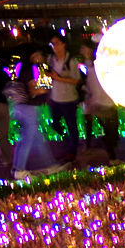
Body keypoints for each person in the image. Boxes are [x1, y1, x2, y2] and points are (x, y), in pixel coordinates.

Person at [6, 47, 63, 178]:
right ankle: (19, 170)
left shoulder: (24, 69)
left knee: (37, 139)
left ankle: (49, 165)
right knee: (27, 141)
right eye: (39, 54)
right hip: (28, 109)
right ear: (33, 56)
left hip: (21, 108)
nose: (41, 57)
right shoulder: (30, 70)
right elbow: (33, 90)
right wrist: (48, 89)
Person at [80, 42, 121, 157]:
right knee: (109, 129)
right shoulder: (92, 67)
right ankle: (111, 153)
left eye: (84, 48)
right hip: (101, 101)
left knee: (109, 128)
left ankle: (109, 149)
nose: (82, 50)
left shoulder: (97, 67)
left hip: (103, 101)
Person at [47, 33, 82, 162]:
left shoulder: (71, 61)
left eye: (56, 43)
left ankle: (72, 151)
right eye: (52, 44)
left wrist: (59, 78)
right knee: (54, 123)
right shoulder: (51, 59)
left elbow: (77, 81)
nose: (54, 46)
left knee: (71, 126)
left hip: (69, 99)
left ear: (63, 44)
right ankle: (69, 142)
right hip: (55, 98)